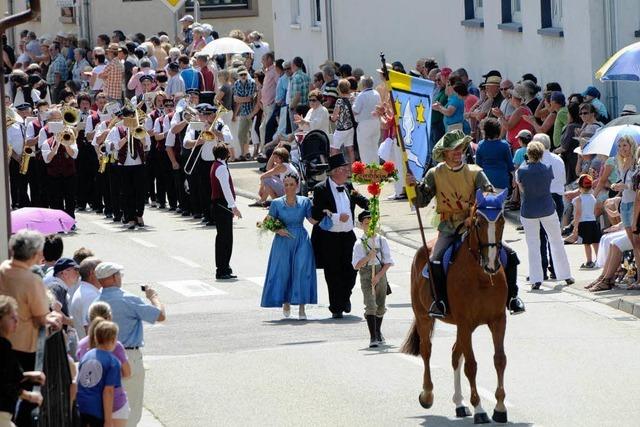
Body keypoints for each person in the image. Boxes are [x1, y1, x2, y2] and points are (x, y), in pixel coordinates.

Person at [411, 130, 525, 317]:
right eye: (453, 149)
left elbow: (489, 197)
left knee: (510, 255)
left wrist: (473, 216)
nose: (458, 152)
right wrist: (412, 187)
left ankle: (512, 298)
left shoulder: (475, 172)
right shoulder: (435, 173)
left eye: (461, 148)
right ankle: (440, 302)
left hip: (475, 226)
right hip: (448, 227)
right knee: (435, 260)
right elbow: (420, 202)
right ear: (445, 153)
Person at [0, 230, 61, 426]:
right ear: (35, 254)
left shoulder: (3, 269)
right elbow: (42, 316)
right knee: (24, 395)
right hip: (24, 344)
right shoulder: (30, 280)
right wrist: (53, 316)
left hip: (5, 339)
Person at [95, 262, 165, 427]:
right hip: (128, 356)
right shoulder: (127, 298)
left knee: (109, 407)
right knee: (130, 408)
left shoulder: (96, 301)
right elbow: (159, 315)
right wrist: (153, 297)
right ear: (114, 277)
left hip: (101, 357)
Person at [311, 153, 369, 318]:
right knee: (333, 272)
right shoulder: (320, 189)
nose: (347, 172)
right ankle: (336, 307)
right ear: (335, 172)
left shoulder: (349, 186)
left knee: (352, 269)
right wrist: (336, 217)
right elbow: (316, 213)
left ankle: (345, 297)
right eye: (344, 169)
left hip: (348, 236)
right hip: (329, 238)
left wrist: (372, 201)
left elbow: (363, 201)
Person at [516, 141, 574, 289]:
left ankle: (536, 278)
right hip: (547, 207)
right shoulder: (547, 168)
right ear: (542, 154)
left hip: (529, 209)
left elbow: (522, 190)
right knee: (556, 241)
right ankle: (565, 275)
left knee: (533, 244)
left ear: (528, 154)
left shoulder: (521, 171)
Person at [260, 173, 317, 319]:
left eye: (291, 185)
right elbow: (267, 221)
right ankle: (285, 302)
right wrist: (278, 229)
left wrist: (327, 214)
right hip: (282, 241)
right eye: (286, 185)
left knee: (302, 271)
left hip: (301, 239)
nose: (288, 188)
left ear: (297, 186)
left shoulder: (305, 201)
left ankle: (302, 307)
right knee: (283, 271)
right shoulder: (277, 203)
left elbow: (311, 220)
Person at [77, 307, 131, 427]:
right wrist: (107, 420)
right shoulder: (112, 362)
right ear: (113, 340)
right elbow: (108, 392)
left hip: (86, 408)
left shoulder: (87, 355)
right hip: (109, 409)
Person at [183, 103, 233, 226]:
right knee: (205, 190)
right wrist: (201, 140)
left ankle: (221, 214)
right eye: (204, 115)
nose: (206, 117)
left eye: (209, 114)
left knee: (221, 189)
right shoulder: (195, 126)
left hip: (219, 162)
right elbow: (186, 143)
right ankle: (208, 215)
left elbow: (229, 139)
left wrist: (213, 130)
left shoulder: (220, 125)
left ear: (214, 114)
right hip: (203, 162)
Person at [0, 295, 45, 427]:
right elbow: (3, 383)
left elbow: (8, 376)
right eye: (12, 317)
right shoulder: (2, 347)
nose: (16, 321)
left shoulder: (5, 345)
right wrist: (29, 396)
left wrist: (29, 375)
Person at [352, 210, 394, 348]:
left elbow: (388, 262)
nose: (369, 226)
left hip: (380, 273)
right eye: (366, 223)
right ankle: (373, 337)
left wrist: (379, 276)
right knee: (370, 305)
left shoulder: (382, 241)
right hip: (366, 274)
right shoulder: (359, 243)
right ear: (361, 225)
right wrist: (368, 257)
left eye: (372, 223)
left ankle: (377, 330)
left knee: (380, 306)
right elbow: (356, 265)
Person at [106, 106, 151, 230]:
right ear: (123, 118)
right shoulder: (117, 130)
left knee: (140, 192)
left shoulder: (140, 128)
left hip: (139, 164)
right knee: (127, 192)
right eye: (128, 117)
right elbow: (114, 147)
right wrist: (126, 136)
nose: (131, 119)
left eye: (133, 116)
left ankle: (139, 215)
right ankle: (130, 217)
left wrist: (138, 133)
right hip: (124, 166)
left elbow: (147, 146)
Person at [210, 144, 243, 280]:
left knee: (223, 237)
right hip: (222, 205)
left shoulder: (216, 165)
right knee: (226, 239)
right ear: (226, 154)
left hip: (219, 204)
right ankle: (222, 269)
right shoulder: (222, 168)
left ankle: (224, 267)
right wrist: (233, 207)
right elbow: (226, 189)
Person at [569, 174, 601, 269]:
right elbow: (596, 210)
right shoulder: (593, 198)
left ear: (579, 187)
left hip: (584, 223)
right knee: (595, 242)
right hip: (593, 222)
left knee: (587, 243)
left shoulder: (578, 199)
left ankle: (589, 261)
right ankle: (599, 259)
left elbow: (578, 213)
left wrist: (575, 226)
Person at [475, 118, 514, 192]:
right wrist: (514, 179)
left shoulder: (480, 145)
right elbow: (510, 166)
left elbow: (478, 166)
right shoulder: (504, 145)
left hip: (485, 182)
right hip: (502, 181)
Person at [70, 257, 102, 340]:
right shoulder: (90, 296)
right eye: (101, 269)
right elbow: (89, 328)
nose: (104, 273)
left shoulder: (85, 290)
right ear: (92, 273)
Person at [352, 76, 381, 164]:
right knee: (374, 148)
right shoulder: (376, 93)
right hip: (376, 122)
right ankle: (376, 171)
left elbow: (355, 111)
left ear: (363, 84)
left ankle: (367, 172)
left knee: (364, 149)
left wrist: (353, 102)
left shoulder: (362, 95)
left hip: (364, 123)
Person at [233, 67, 256, 160]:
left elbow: (250, 98)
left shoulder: (252, 82)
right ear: (238, 75)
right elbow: (236, 99)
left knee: (254, 134)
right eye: (241, 74)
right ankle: (244, 153)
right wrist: (244, 99)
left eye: (244, 74)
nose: (243, 76)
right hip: (243, 112)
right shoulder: (236, 83)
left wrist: (241, 99)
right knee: (241, 134)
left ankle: (254, 153)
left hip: (252, 112)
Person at [330, 79, 356, 162]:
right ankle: (352, 171)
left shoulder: (339, 101)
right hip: (350, 127)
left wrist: (330, 118)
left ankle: (337, 170)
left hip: (341, 129)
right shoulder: (352, 99)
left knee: (334, 149)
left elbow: (334, 118)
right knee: (350, 149)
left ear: (339, 89)